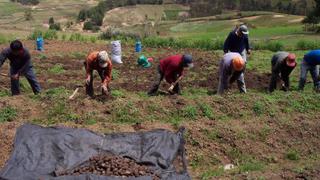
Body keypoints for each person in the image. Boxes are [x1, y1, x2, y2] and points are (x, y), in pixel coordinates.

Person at [223, 24, 251, 93]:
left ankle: (239, 73)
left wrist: (248, 49)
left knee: (242, 65)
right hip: (233, 52)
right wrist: (226, 51)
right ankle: (236, 76)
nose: (243, 35)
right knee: (236, 68)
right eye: (242, 33)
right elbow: (226, 43)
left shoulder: (245, 34)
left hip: (241, 51)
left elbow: (246, 41)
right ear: (239, 31)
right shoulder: (232, 34)